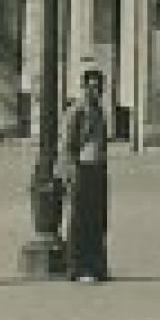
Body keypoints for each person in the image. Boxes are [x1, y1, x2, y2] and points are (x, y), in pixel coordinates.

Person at [62, 66, 112, 283]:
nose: (95, 91)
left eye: (98, 87)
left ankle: (97, 265)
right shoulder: (77, 111)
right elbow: (68, 145)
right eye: (91, 87)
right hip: (82, 168)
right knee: (81, 220)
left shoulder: (99, 110)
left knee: (97, 219)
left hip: (98, 168)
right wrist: (70, 173)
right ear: (83, 87)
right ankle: (79, 268)